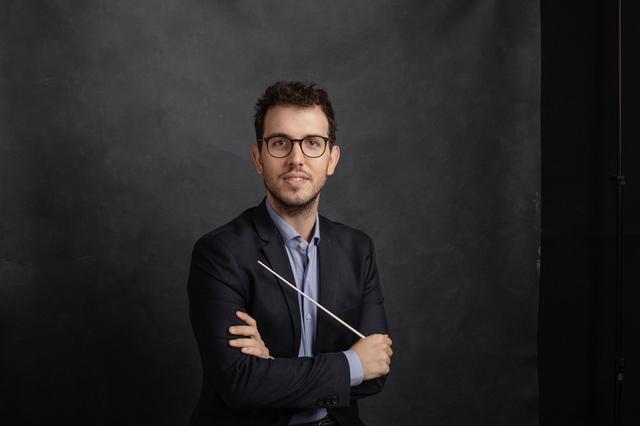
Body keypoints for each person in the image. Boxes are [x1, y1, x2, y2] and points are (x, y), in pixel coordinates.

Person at [188, 81, 392, 426]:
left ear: (332, 159)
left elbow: (376, 369)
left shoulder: (358, 250)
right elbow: (240, 383)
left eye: (312, 143)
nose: (296, 159)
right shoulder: (220, 253)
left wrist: (272, 371)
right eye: (280, 143)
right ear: (259, 158)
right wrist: (350, 364)